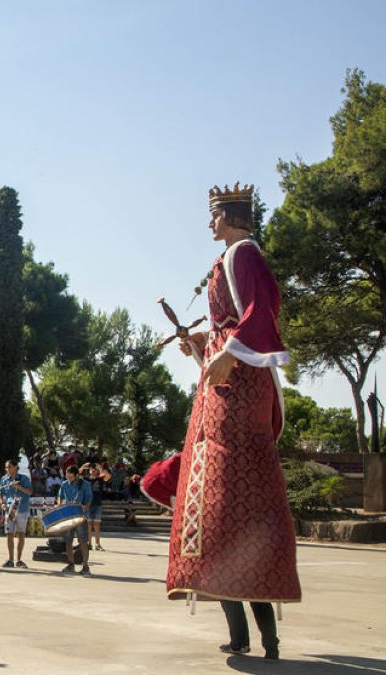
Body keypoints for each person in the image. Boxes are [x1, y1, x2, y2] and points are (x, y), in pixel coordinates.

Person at [145, 183, 300, 660]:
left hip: (239, 386)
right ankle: (249, 638)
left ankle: (262, 639)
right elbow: (230, 322)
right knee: (218, 509)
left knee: (228, 494)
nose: (210, 223)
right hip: (225, 378)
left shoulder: (244, 253)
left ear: (231, 216)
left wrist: (230, 353)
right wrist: (202, 344)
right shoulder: (230, 256)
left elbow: (261, 309)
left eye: (214, 215)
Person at [0, 459, 33, 569]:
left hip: (22, 509)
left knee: (21, 534)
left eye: (9, 467)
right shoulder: (4, 479)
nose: (7, 469)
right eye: (6, 467)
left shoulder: (24, 478)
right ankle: (10, 559)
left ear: (15, 467)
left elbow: (30, 492)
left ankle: (19, 560)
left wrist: (18, 487)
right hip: (10, 510)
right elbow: (0, 492)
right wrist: (2, 503)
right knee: (9, 534)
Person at [57, 465, 92, 575]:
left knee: (82, 541)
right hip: (68, 516)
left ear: (77, 475)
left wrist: (85, 506)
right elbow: (60, 496)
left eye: (71, 477)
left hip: (81, 516)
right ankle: (71, 564)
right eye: (67, 476)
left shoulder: (85, 484)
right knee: (68, 541)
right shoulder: (64, 484)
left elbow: (89, 499)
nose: (68, 478)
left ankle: (85, 566)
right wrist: (59, 505)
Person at [85, 465, 106, 551]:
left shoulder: (100, 479)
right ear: (89, 470)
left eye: (95, 469)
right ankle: (89, 544)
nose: (93, 470)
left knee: (97, 525)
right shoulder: (86, 480)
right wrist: (83, 467)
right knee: (89, 525)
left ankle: (97, 544)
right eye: (91, 468)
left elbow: (108, 476)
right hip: (88, 504)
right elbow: (76, 474)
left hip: (97, 504)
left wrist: (100, 468)